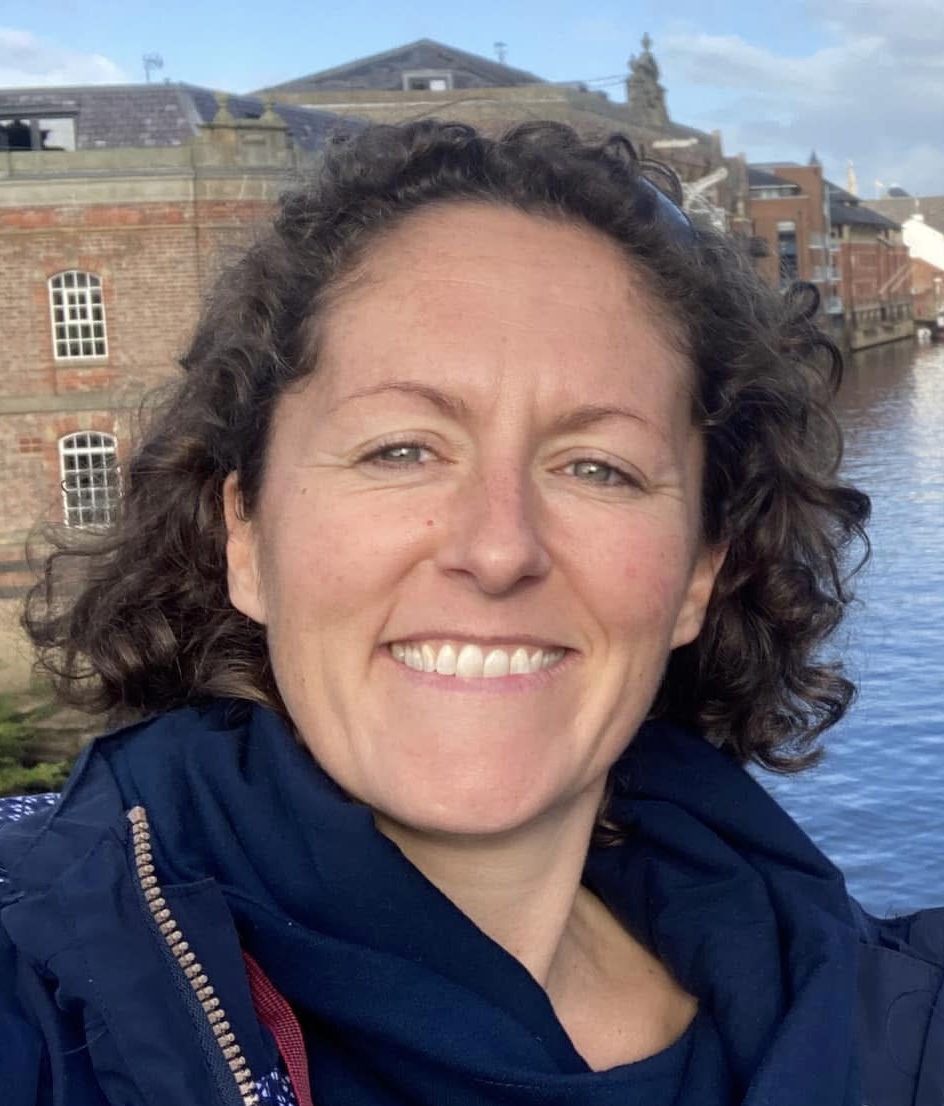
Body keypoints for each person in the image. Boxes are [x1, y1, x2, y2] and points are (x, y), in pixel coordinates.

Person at [0, 121, 941, 1106]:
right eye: (400, 448)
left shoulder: (888, 1028)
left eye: (595, 467)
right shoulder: (41, 1000)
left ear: (698, 574)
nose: (497, 548)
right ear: (245, 532)